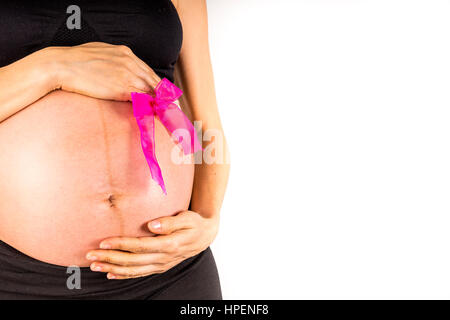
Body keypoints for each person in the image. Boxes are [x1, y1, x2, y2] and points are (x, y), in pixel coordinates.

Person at [0, 0, 229, 299]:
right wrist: (53, 68)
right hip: (21, 278)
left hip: (170, 269)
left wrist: (207, 220)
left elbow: (205, 122)